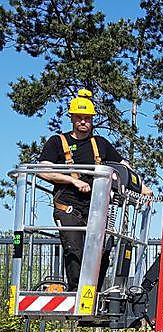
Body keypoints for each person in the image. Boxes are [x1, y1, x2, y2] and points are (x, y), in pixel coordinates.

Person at [39, 89, 152, 291]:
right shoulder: (57, 142)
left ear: (92, 119)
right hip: (68, 206)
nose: (83, 122)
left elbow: (123, 167)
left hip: (96, 206)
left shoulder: (100, 144)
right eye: (79, 117)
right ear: (72, 118)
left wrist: (143, 188)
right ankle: (77, 293)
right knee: (74, 248)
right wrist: (72, 180)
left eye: (87, 118)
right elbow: (43, 170)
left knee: (102, 249)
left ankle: (94, 292)